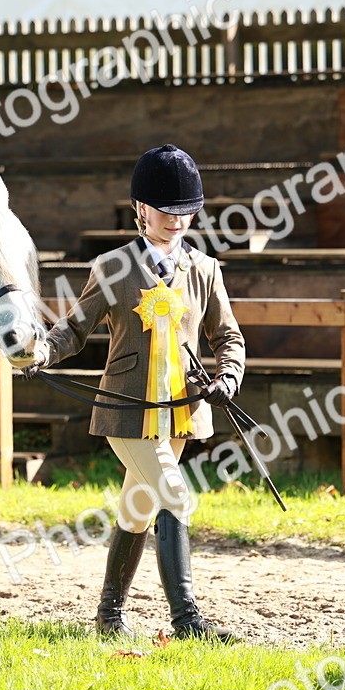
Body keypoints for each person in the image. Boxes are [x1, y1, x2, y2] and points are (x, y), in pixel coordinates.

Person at [27, 144, 245, 641]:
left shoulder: (205, 270)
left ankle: (109, 616)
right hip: (126, 411)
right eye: (167, 211)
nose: (178, 221)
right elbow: (73, 331)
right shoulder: (112, 267)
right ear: (141, 208)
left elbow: (228, 337)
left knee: (138, 507)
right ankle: (188, 621)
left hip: (181, 414)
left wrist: (228, 377)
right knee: (176, 496)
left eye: (186, 211)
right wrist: (40, 353)